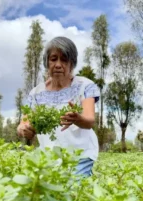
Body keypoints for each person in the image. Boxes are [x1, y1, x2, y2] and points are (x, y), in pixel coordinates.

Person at [17, 36, 100, 177]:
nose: (58, 64)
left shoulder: (85, 86)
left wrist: (77, 118)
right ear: (46, 62)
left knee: (73, 193)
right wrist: (25, 130)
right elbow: (23, 124)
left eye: (64, 59)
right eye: (53, 59)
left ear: (72, 63)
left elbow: (89, 120)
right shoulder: (36, 93)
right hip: (48, 159)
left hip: (80, 156)